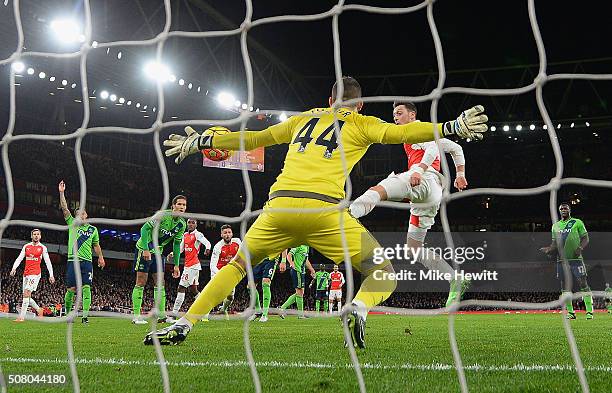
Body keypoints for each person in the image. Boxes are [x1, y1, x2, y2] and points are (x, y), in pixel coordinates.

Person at [146, 76, 487, 348]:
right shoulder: (362, 122)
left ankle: (183, 323)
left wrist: (208, 142)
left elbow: (254, 139)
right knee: (383, 272)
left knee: (236, 267)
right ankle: (358, 307)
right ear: (360, 104)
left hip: (278, 208)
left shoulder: (302, 118)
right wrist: (449, 127)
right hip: (325, 213)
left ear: (329, 101)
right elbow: (402, 132)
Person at [349, 102, 470, 307]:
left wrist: (419, 170)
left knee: (380, 189)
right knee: (413, 249)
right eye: (394, 114)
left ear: (412, 115)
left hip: (425, 180)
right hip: (430, 196)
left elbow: (430, 147)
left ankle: (348, 214)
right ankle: (455, 278)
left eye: (399, 113)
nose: (395, 117)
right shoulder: (423, 132)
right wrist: (460, 175)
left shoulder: (418, 129)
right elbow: (456, 148)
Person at [132, 195, 187, 324]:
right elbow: (144, 229)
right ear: (173, 206)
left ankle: (162, 316)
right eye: (179, 204)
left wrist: (176, 265)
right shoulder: (162, 215)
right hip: (143, 248)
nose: (182, 207)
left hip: (158, 252)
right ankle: (136, 316)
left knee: (160, 282)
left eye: (184, 205)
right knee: (141, 281)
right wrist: (145, 249)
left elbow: (177, 245)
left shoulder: (181, 224)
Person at [59, 181, 105, 324]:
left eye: (82, 213)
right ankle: (68, 315)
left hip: (87, 262)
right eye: (77, 214)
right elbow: (65, 208)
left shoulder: (93, 230)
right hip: (73, 261)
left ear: (86, 215)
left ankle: (85, 317)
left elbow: (96, 245)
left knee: (86, 288)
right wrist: (61, 192)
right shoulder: (72, 223)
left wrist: (101, 258)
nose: (80, 215)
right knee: (71, 289)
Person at [540, 202, 593, 320]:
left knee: (583, 283)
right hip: (561, 261)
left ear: (569, 210)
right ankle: (571, 313)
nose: (563, 209)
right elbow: (555, 244)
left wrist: (580, 248)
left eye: (566, 208)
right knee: (564, 286)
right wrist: (549, 249)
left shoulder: (577, 222)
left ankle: (589, 311)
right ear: (559, 211)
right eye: (561, 208)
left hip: (576, 259)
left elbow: (585, 238)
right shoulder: (555, 226)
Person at [168, 219, 211, 321]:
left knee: (181, 287)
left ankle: (173, 314)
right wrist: (173, 253)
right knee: (194, 290)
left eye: (193, 223)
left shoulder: (197, 234)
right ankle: (206, 310)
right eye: (189, 223)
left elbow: (207, 242)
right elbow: (181, 248)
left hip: (192, 266)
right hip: (192, 266)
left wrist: (207, 248)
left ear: (196, 225)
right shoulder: (185, 235)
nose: (191, 224)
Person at [10, 229, 55, 321]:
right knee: (26, 296)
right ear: (31, 236)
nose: (36, 236)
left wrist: (51, 275)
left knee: (26, 293)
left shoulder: (43, 248)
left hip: (35, 274)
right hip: (26, 273)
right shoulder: (26, 246)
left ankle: (21, 317)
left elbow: (48, 262)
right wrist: (14, 268)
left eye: (38, 234)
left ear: (40, 236)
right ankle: (39, 310)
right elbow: (19, 258)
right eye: (34, 234)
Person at [209, 225, 241, 317]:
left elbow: (243, 253)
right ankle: (205, 314)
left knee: (230, 297)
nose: (227, 235)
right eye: (225, 233)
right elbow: (212, 265)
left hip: (230, 272)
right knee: (213, 294)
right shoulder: (218, 247)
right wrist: (221, 274)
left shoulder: (237, 242)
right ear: (221, 235)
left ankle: (223, 309)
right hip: (217, 272)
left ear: (232, 234)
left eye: (229, 232)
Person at [279, 245, 315, 318]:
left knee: (300, 293)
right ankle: (299, 314)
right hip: (297, 271)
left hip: (302, 272)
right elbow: (289, 254)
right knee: (299, 292)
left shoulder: (306, 247)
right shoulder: (298, 245)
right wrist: (291, 263)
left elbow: (306, 260)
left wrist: (311, 269)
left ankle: (282, 309)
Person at [249, 251, 284, 322]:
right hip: (259, 259)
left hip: (271, 258)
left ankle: (264, 314)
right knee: (250, 286)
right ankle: (258, 311)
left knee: (265, 282)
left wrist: (283, 260)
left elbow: (284, 244)